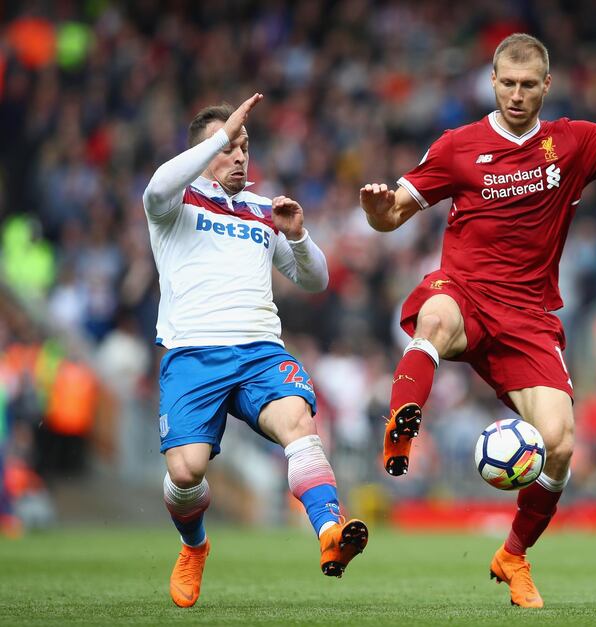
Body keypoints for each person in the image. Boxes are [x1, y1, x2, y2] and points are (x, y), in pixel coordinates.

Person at [360, 20, 596, 608]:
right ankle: (399, 431)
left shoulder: (573, 141)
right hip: (465, 292)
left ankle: (513, 555)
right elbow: (392, 215)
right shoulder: (457, 146)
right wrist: (379, 210)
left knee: (558, 443)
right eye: (507, 83)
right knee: (433, 318)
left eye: (529, 84)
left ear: (546, 85)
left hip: (529, 316)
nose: (516, 94)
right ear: (493, 81)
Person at [143, 94, 368, 608]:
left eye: (245, 146)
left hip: (261, 351)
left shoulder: (263, 211)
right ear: (203, 155)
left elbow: (317, 280)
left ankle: (329, 531)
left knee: (299, 424)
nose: (241, 155)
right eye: (229, 148)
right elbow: (158, 185)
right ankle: (194, 546)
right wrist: (221, 136)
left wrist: (300, 235)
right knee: (185, 472)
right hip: (194, 355)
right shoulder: (173, 203)